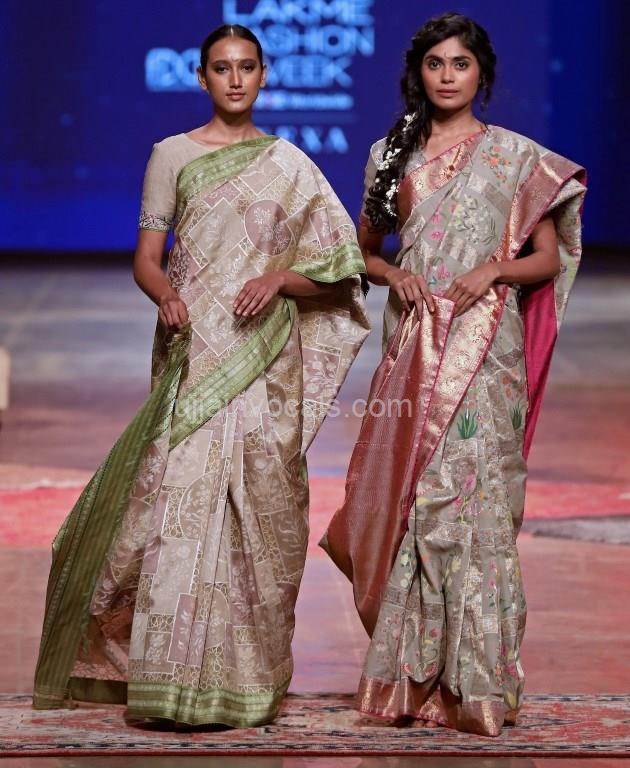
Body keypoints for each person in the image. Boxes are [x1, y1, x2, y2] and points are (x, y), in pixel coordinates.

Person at [33, 23, 369, 727]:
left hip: (263, 360)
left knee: (261, 514)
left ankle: (244, 678)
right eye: (222, 68)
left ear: (265, 75)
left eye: (247, 67)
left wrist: (280, 279)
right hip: (195, 353)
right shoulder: (173, 155)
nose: (235, 79)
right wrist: (167, 296)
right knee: (176, 509)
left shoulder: (290, 165)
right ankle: (167, 679)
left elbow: (340, 269)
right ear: (202, 77)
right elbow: (147, 259)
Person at [321, 12, 585, 736]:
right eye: (435, 63)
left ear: (481, 74)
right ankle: (408, 682)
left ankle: (477, 683)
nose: (447, 75)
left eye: (460, 64)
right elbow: (363, 252)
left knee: (472, 506)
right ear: (419, 72)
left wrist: (494, 270)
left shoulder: (514, 157)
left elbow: (547, 258)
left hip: (487, 350)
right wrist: (393, 275)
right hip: (415, 345)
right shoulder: (389, 155)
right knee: (414, 502)